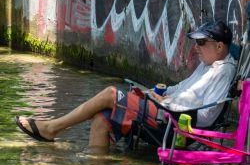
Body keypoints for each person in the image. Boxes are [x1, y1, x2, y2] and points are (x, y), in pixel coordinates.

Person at [15, 21, 237, 150]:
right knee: (102, 119)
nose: (195, 47)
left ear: (219, 46)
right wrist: (159, 93)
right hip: (168, 113)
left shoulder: (222, 70)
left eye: (200, 43)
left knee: (111, 94)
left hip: (177, 126)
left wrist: (166, 102)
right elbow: (182, 88)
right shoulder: (208, 64)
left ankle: (52, 128)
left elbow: (207, 115)